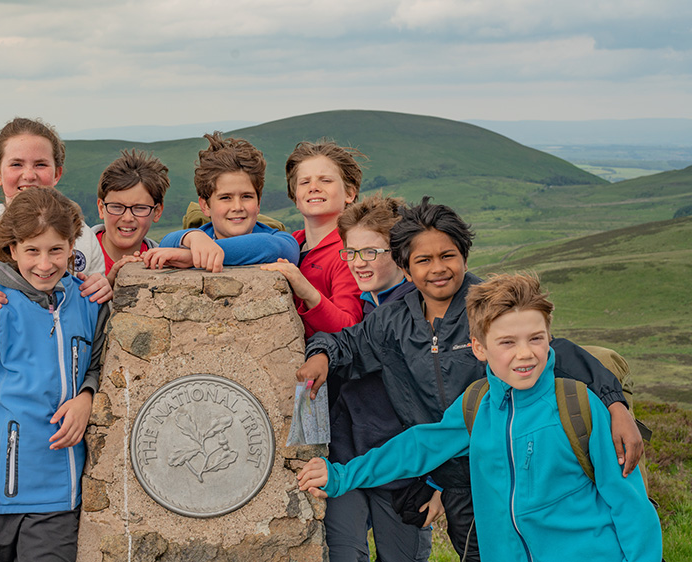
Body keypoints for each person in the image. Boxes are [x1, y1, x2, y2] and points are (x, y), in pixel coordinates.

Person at [296, 197, 644, 561]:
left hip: (511, 466)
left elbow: (563, 355)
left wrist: (615, 405)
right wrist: (321, 354)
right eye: (423, 260)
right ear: (406, 267)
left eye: (448, 256)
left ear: (464, 256)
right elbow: (354, 350)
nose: (437, 269)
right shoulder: (393, 322)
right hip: (458, 482)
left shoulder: (487, 307)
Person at [0, 188, 109, 561]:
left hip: (57, 501)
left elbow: (99, 364)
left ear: (71, 248)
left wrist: (87, 396)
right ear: (13, 250)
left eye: (56, 250)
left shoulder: (89, 304)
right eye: (32, 250)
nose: (45, 264)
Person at [319, 194, 437, 562]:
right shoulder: (360, 304)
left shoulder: (426, 310)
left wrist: (438, 484)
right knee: (343, 554)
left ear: (399, 251)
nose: (358, 263)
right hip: (347, 459)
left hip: (406, 471)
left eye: (370, 252)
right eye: (351, 252)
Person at [0, 117, 110, 359]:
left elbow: (95, 330)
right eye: (16, 164)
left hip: (71, 389)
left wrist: (102, 294)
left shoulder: (83, 239)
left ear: (57, 173)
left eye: (40, 165)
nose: (29, 175)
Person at [143, 132, 298, 272]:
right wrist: (192, 236)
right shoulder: (201, 236)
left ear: (258, 203)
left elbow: (270, 247)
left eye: (246, 196)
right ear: (205, 206)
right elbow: (166, 244)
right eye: (225, 198)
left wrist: (192, 257)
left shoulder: (281, 240)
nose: (237, 207)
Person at [260, 140, 365, 338]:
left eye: (325, 180)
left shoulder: (350, 252)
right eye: (304, 182)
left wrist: (307, 291)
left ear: (350, 193)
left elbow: (350, 328)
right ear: (295, 196)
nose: (314, 187)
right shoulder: (290, 242)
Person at [93, 149, 168, 285]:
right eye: (116, 206)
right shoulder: (72, 256)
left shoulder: (165, 264)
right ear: (101, 208)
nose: (127, 218)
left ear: (157, 212)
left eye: (139, 208)